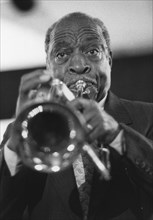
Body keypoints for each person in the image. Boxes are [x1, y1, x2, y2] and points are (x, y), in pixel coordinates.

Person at [0, 12, 153, 220]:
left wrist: (118, 136)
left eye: (92, 51)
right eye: (62, 55)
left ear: (109, 59)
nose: (79, 65)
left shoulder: (148, 116)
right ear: (48, 66)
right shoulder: (25, 131)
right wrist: (16, 150)